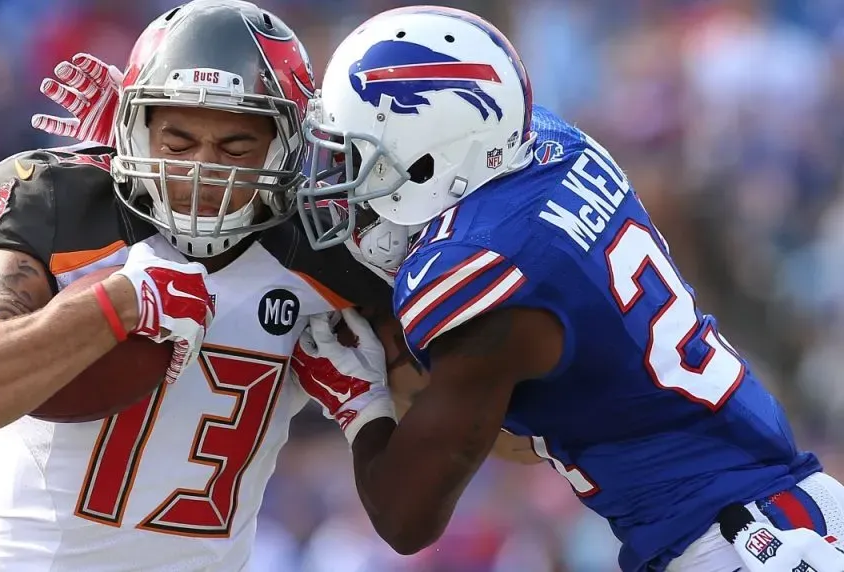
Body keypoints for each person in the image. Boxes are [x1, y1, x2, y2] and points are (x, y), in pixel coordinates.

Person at [0, 1, 443, 569]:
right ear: (136, 127)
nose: (203, 170)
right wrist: (115, 304)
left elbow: (476, 461)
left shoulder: (329, 255)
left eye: (235, 148)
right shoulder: (67, 208)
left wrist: (372, 407)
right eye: (177, 144)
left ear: (287, 144)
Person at [292, 5, 844, 571]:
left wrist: (356, 402)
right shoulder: (551, 144)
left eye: (357, 156)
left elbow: (405, 517)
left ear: (432, 154)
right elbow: (519, 440)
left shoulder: (480, 274)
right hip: (784, 508)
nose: (340, 180)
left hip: (740, 545)